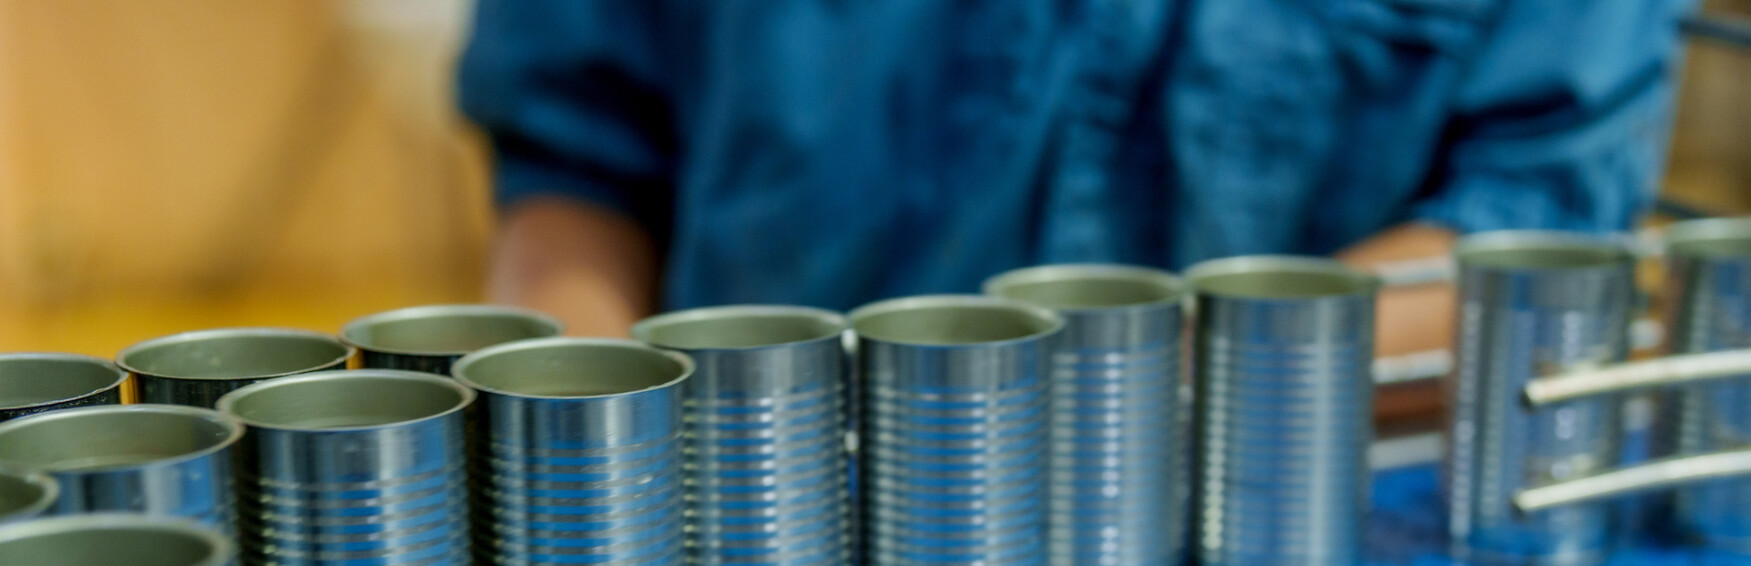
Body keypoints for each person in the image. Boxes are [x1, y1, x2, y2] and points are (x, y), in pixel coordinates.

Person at [459, 0, 1686, 360]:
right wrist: (595, 463)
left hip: (1290, 553)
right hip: (749, 537)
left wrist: (1096, 418)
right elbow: (580, 161)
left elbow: (1527, 232)